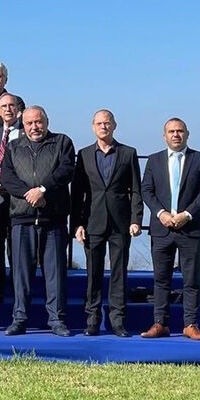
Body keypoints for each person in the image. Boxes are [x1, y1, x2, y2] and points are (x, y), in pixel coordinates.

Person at [0, 105, 75, 337]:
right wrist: (29, 195)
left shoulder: (62, 142)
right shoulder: (13, 147)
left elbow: (66, 170)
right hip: (22, 219)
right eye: (30, 123)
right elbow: (6, 178)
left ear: (47, 121)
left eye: (39, 122)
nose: (35, 127)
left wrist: (43, 190)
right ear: (23, 125)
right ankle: (19, 318)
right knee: (21, 274)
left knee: (56, 274)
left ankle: (57, 320)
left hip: (54, 219)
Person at [70, 110, 143, 337]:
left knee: (119, 272)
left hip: (120, 223)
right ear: (93, 127)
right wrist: (77, 225)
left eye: (107, 123)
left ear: (114, 126)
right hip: (93, 222)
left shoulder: (128, 153)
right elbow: (77, 194)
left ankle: (118, 320)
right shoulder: (83, 155)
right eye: (99, 123)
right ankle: (92, 319)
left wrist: (136, 219)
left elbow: (136, 190)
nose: (104, 127)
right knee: (93, 273)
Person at [140, 117, 200, 341]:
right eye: (171, 131)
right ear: (164, 135)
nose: (176, 135)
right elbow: (147, 190)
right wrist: (161, 214)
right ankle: (160, 323)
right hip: (162, 229)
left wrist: (187, 214)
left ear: (187, 134)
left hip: (189, 229)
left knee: (191, 280)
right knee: (161, 279)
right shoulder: (154, 160)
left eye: (180, 131)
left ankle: (190, 324)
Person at [0, 93, 24, 304]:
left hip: (19, 200)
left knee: (17, 250)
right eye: (4, 106)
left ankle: (19, 293)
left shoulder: (26, 133)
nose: (8, 109)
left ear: (18, 109)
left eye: (12, 105)